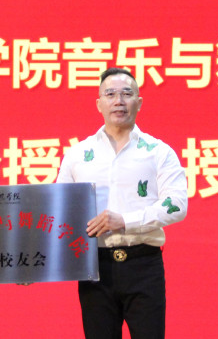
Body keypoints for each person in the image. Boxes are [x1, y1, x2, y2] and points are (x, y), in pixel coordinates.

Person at [56, 67, 188, 339]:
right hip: (95, 268)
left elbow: (176, 204)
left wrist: (125, 221)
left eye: (127, 94)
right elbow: (59, 210)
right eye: (110, 94)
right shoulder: (78, 154)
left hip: (144, 265)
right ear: (99, 104)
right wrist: (34, 265)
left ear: (139, 102)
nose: (119, 101)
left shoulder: (159, 152)